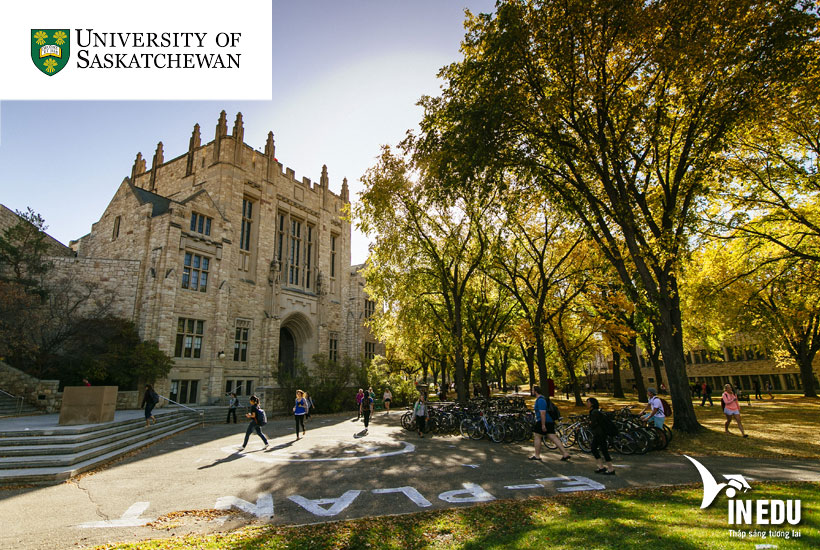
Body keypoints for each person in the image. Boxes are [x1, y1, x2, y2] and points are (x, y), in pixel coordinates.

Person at [529, 385, 571, 462]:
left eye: (532, 390)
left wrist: (543, 424)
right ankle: (565, 454)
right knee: (554, 437)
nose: (531, 391)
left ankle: (537, 455)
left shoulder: (540, 400)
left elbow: (543, 413)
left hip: (543, 421)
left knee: (537, 436)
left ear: (536, 391)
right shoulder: (542, 399)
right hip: (549, 421)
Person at [586, 397, 615, 475]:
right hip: (598, 433)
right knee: (594, 449)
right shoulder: (594, 412)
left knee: (603, 450)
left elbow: (594, 423)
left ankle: (611, 468)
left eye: (588, 402)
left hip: (600, 434)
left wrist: (589, 423)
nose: (587, 404)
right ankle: (601, 467)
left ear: (592, 404)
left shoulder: (594, 412)